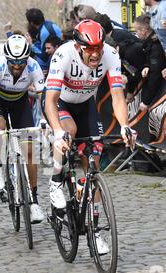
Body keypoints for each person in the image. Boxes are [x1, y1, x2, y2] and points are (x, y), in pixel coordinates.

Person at [44, 20, 137, 254]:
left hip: (86, 105)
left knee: (93, 166)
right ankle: (56, 181)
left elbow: (117, 96)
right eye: (90, 49)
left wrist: (125, 125)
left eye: (99, 47)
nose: (95, 54)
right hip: (62, 104)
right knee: (69, 132)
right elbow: (50, 101)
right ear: (78, 47)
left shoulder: (111, 55)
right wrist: (57, 132)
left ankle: (94, 232)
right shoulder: (63, 54)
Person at [0, 35, 46, 223]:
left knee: (30, 151)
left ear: (28, 59)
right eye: (13, 62)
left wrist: (46, 121)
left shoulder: (33, 66)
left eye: (21, 62)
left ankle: (33, 202)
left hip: (20, 102)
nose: (17, 66)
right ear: (6, 58)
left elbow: (44, 98)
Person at [134, 15, 166, 112]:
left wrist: (146, 101)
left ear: (144, 30)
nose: (136, 34)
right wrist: (147, 66)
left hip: (160, 91)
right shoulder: (150, 43)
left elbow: (156, 74)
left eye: (137, 31)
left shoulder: (155, 45)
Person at [25, 8, 63, 72]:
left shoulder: (44, 33)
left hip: (58, 57)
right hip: (56, 51)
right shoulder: (48, 23)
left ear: (31, 23)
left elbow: (43, 56)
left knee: (35, 64)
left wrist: (30, 43)